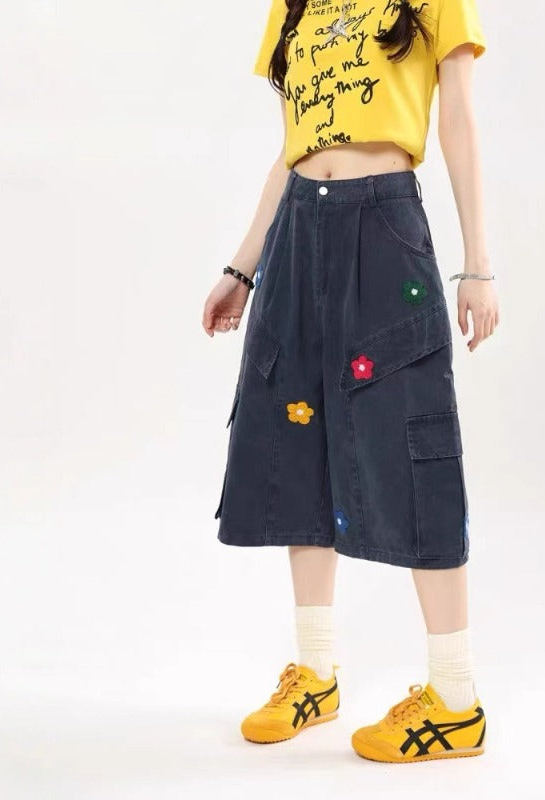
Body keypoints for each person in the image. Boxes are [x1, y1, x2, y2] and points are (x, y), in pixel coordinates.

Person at [202, 0, 498, 763]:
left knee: (413, 440)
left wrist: (478, 264)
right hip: (299, 231)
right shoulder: (293, 8)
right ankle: (316, 673)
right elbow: (290, 151)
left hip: (384, 224)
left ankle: (455, 699)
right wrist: (243, 267)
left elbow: (458, 118)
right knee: (297, 434)